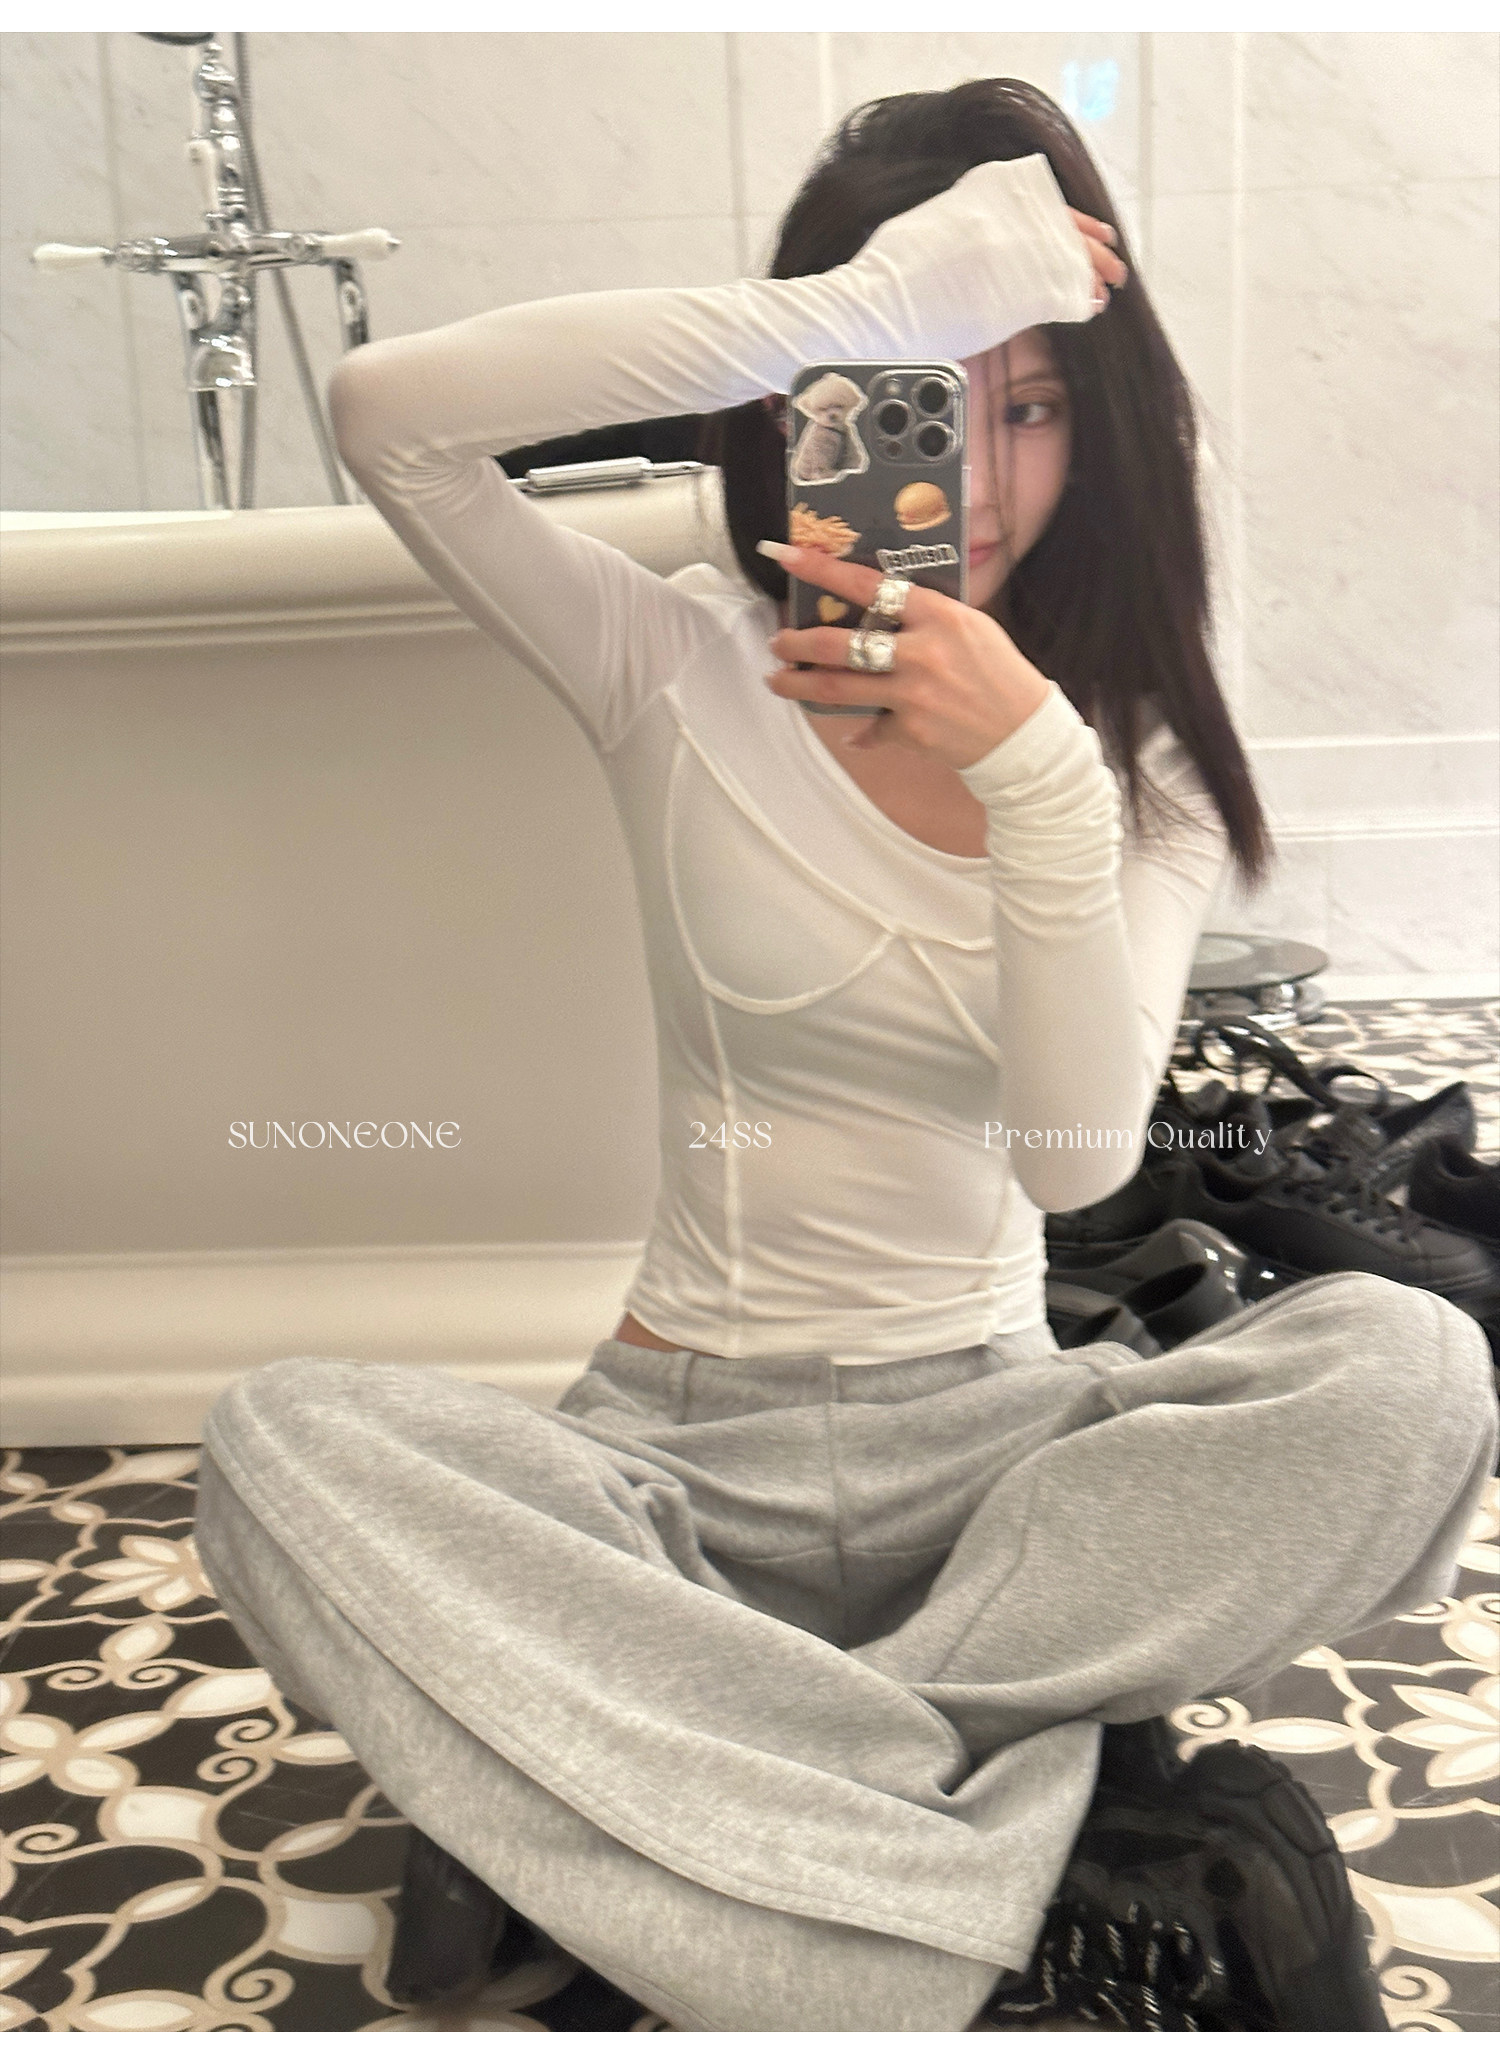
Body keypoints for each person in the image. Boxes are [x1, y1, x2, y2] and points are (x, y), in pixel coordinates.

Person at [192, 79, 1498, 2033]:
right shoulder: (668, 657)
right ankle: (1001, 1837)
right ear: (797, 399)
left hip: (1000, 1473)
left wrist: (1034, 774)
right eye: (906, 397)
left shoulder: (1123, 761)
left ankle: (659, 1811)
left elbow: (1073, 1160)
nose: (969, 471)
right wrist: (867, 301)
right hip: (664, 1469)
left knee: (1413, 1369)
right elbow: (393, 417)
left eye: (1029, 405)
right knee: (282, 1442)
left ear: (1103, 431)